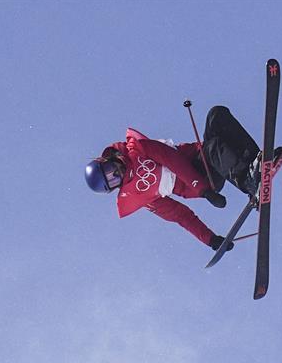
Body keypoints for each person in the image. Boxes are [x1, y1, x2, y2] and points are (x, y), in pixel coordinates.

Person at [85, 105, 263, 253]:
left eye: (110, 169)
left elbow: (172, 159)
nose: (116, 173)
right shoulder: (139, 195)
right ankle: (249, 182)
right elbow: (179, 215)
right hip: (206, 178)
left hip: (199, 165)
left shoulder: (138, 148)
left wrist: (204, 191)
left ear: (108, 159)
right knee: (214, 148)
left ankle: (257, 161)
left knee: (217, 115)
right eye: (113, 180)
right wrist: (210, 239)